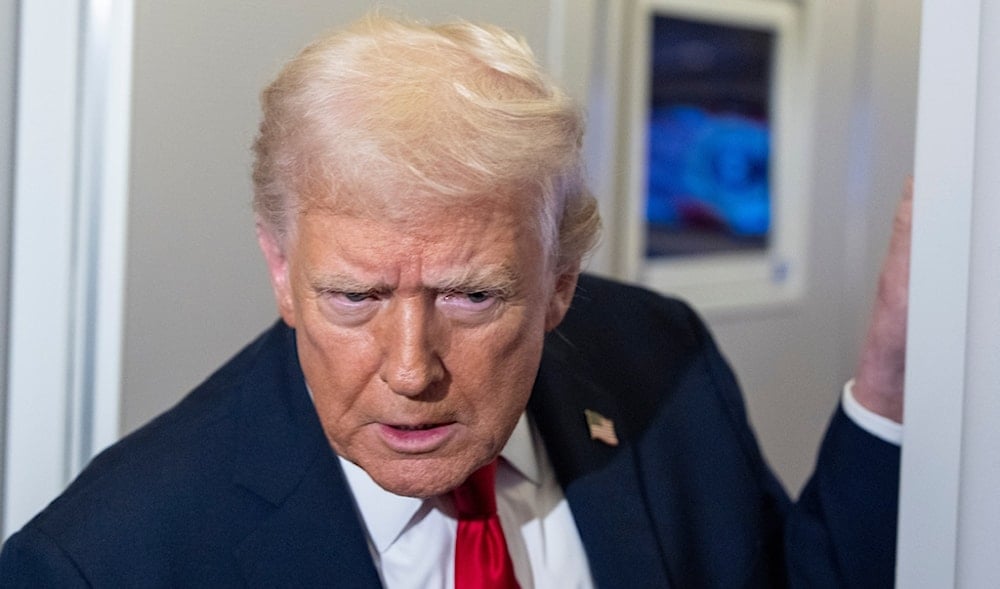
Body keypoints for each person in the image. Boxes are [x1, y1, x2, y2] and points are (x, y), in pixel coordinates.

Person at [0, 14, 908, 588]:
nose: (409, 369)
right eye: (354, 295)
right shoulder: (102, 561)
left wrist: (891, 375)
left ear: (558, 281)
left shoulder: (655, 356)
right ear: (280, 267)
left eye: (472, 295)